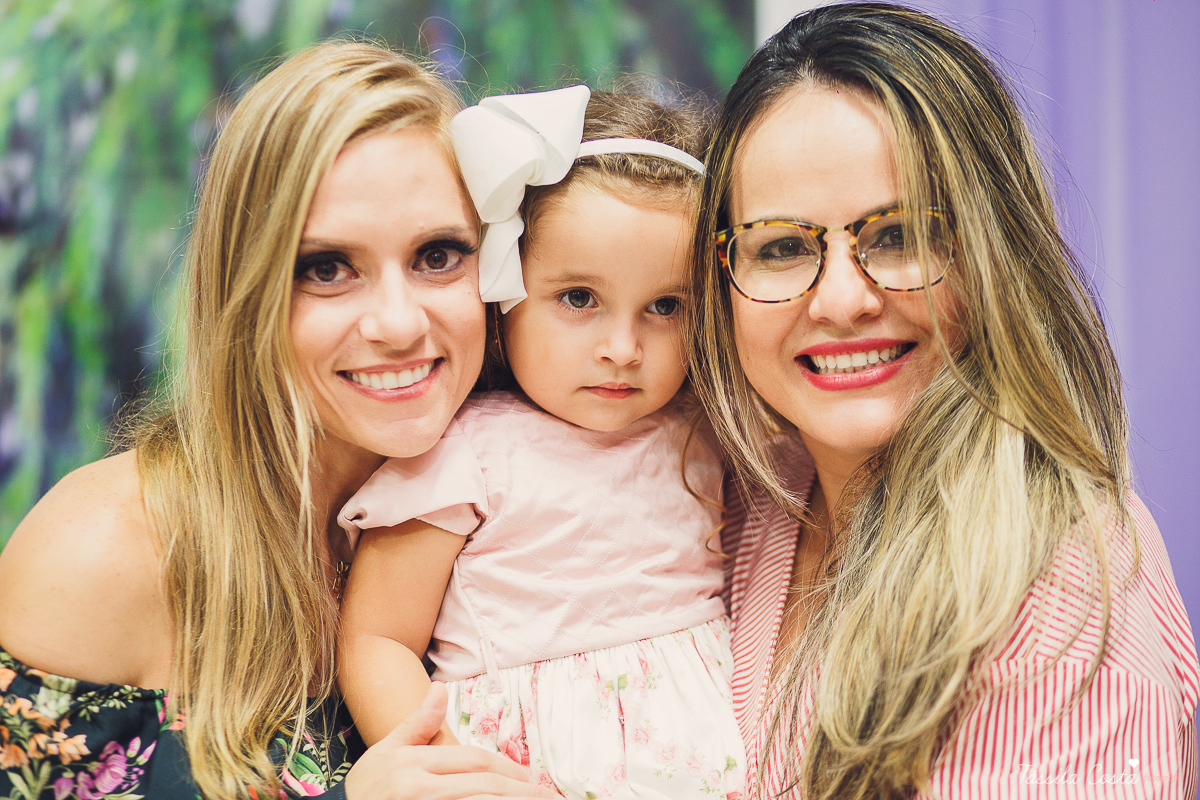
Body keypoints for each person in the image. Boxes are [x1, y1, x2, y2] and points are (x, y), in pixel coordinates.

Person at [0, 42, 554, 800]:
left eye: (438, 255)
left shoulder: (536, 512)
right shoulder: (103, 554)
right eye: (327, 268)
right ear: (247, 286)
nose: (398, 322)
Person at [688, 4, 1200, 799]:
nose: (842, 300)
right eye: (782, 247)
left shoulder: (1064, 580)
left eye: (897, 235)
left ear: (995, 252)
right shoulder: (731, 511)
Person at [336, 85, 746, 799]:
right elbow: (377, 640)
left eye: (665, 306)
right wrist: (441, 764)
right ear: (506, 289)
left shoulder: (703, 437)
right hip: (519, 774)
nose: (623, 348)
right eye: (579, 298)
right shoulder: (465, 452)